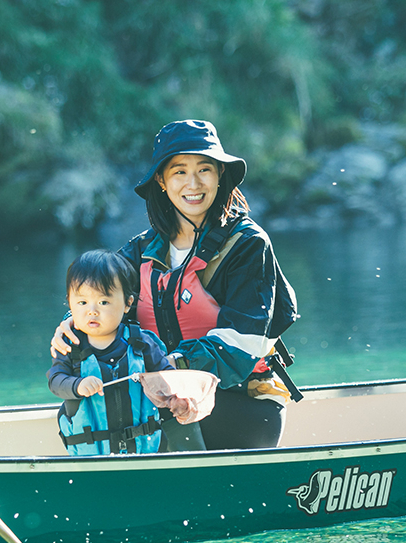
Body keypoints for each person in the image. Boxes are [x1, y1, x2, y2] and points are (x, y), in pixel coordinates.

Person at [52, 120, 298, 450]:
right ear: (162, 181)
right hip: (163, 396)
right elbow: (99, 297)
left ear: (220, 176)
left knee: (157, 410)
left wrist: (168, 369)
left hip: (243, 405)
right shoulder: (140, 251)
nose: (193, 183)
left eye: (205, 170)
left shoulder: (248, 245)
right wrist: (73, 323)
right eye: (179, 171)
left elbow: (242, 343)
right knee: (80, 404)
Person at [48, 249, 175, 455]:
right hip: (92, 457)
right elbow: (55, 381)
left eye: (103, 302)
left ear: (127, 304)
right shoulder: (70, 346)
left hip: (146, 453)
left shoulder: (142, 342)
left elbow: (167, 376)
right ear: (70, 303)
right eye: (82, 302)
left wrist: (176, 395)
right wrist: (77, 385)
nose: (92, 311)